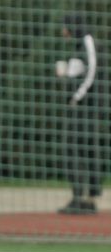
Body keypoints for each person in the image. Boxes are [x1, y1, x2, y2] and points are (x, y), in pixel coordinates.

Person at [56, 14, 101, 215]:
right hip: (77, 107)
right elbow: (78, 73)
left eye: (65, 27)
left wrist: (76, 97)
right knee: (76, 149)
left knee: (77, 148)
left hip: (85, 109)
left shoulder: (87, 42)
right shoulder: (77, 46)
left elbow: (91, 72)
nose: (63, 32)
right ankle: (82, 196)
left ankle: (85, 197)